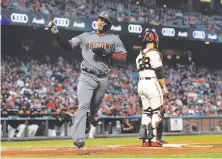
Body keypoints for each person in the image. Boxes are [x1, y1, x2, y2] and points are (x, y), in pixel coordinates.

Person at [45, 11, 127, 148]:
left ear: (109, 24)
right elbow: (68, 45)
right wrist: (56, 33)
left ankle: (88, 123)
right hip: (87, 76)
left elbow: (123, 58)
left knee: (94, 110)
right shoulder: (86, 36)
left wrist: (107, 54)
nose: (100, 22)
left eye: (104, 20)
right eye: (100, 19)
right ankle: (78, 138)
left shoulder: (114, 39)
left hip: (103, 78)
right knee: (83, 105)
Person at [136, 30, 168, 147]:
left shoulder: (139, 55)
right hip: (152, 83)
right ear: (155, 40)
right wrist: (164, 87)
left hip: (141, 84)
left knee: (146, 112)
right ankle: (154, 139)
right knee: (157, 111)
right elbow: (159, 71)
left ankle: (144, 139)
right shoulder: (155, 53)